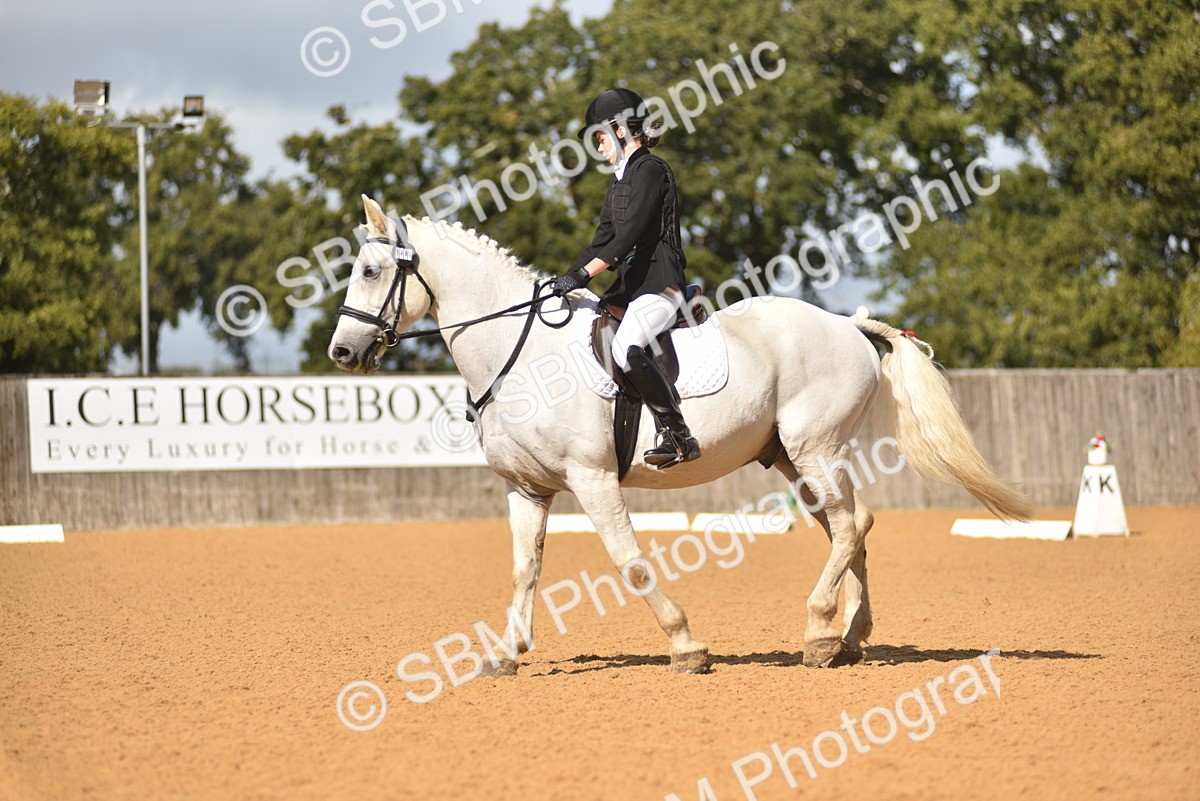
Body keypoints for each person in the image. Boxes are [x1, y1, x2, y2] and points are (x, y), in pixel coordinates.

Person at [551, 88, 701, 468]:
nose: (597, 145)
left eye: (599, 136)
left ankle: (678, 434)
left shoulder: (651, 170)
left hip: (661, 284)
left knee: (625, 347)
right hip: (630, 289)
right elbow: (601, 240)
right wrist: (563, 281)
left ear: (620, 130)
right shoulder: (619, 181)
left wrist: (586, 274)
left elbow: (629, 235)